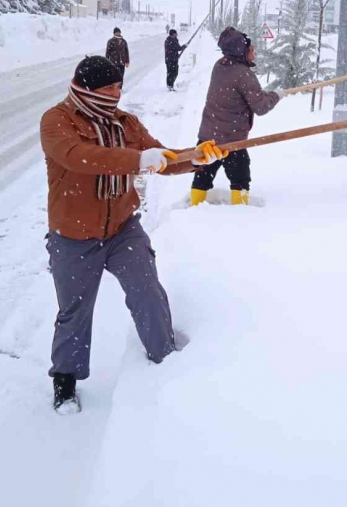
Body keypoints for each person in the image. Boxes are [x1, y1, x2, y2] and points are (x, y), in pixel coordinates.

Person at [40, 55, 226, 413]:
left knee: (147, 290)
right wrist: (137, 159)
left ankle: (165, 357)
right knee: (75, 311)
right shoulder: (57, 121)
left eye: (119, 86)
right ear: (89, 88)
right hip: (74, 236)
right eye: (110, 87)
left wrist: (195, 158)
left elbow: (162, 157)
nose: (117, 93)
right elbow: (79, 156)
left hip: (123, 228)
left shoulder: (125, 123)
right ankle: (65, 380)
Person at [191, 26, 283, 207]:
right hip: (232, 141)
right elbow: (261, 107)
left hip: (208, 136)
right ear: (241, 51)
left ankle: (194, 207)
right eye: (252, 50)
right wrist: (276, 96)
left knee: (203, 174)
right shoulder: (244, 74)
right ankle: (239, 215)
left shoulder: (220, 65)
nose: (254, 54)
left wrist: (261, 93)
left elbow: (235, 93)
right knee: (240, 178)